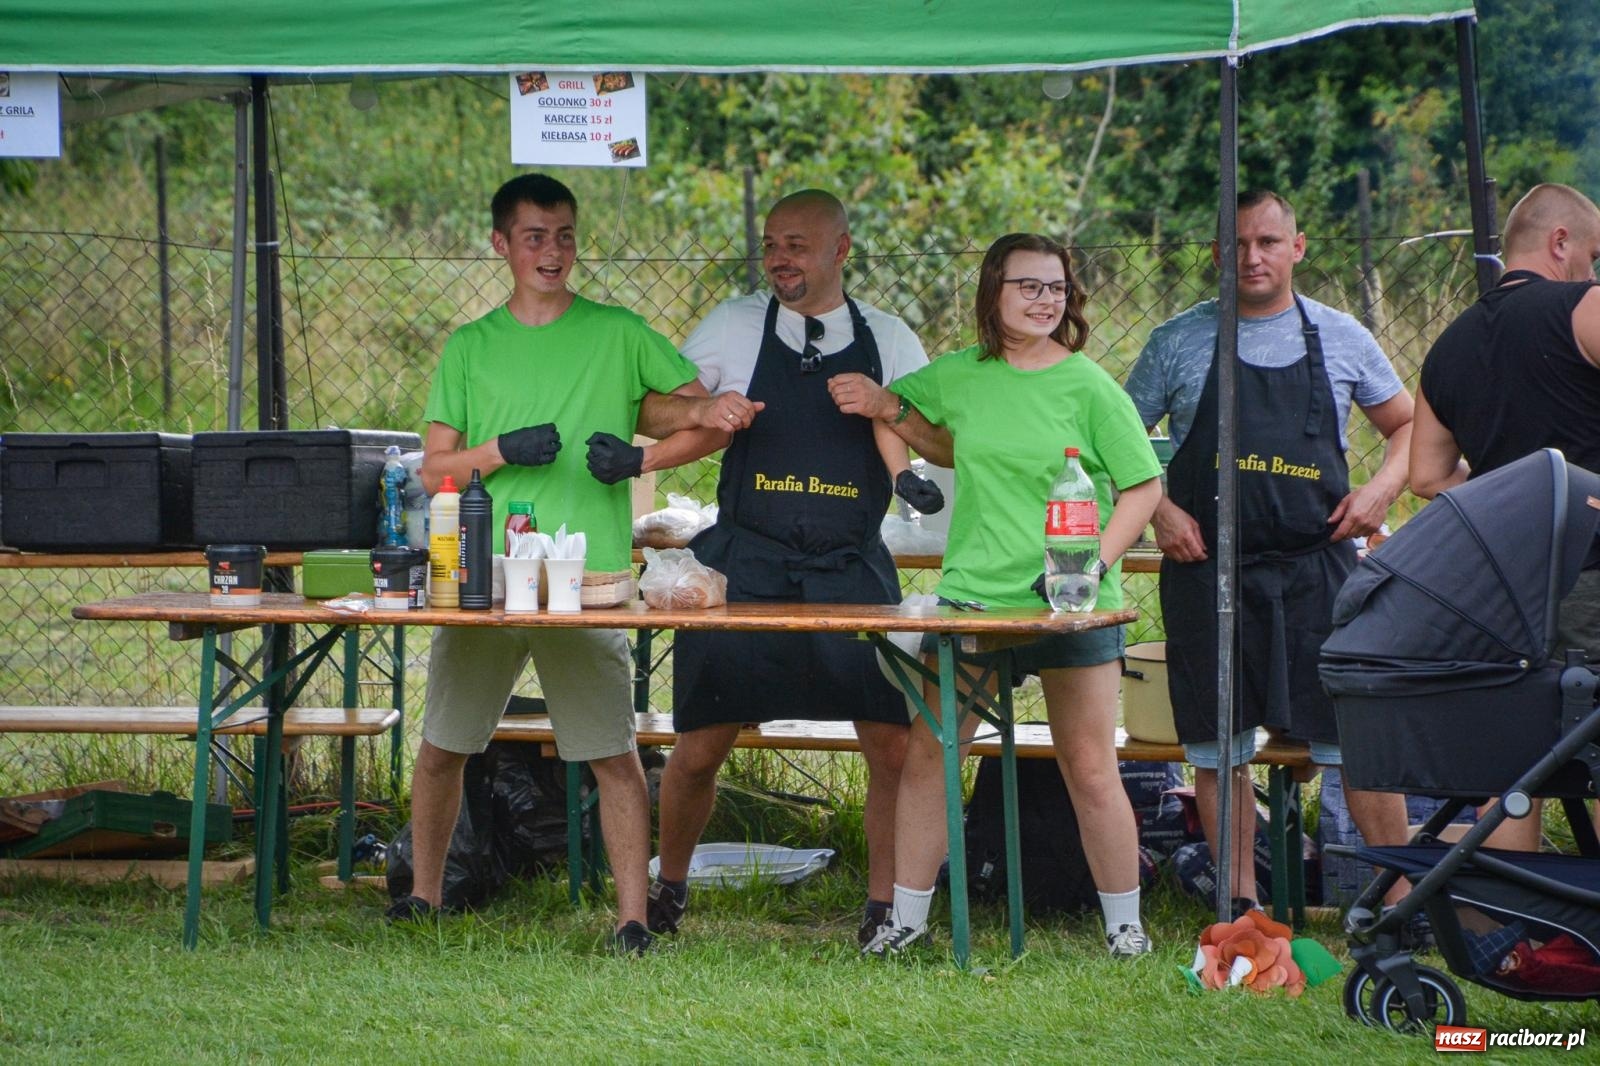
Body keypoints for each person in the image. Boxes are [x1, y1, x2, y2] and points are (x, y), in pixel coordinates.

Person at [586, 189, 934, 948]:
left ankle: (883, 911)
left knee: (892, 744)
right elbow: (652, 407)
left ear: (842, 250)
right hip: (745, 561)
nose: (779, 258)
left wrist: (887, 408)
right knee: (702, 743)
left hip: (849, 566)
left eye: (797, 245)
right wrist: (704, 415)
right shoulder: (735, 326)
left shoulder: (893, 339)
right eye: (772, 244)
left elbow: (935, 431)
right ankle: (667, 887)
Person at [390, 173, 724, 955]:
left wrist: (639, 454)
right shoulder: (471, 346)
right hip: (484, 576)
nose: (553, 251)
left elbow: (705, 414)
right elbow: (432, 472)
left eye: (566, 235)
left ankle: (633, 920)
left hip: (593, 580)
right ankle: (423, 899)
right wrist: (501, 453)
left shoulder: (617, 331)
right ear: (501, 244)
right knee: (443, 746)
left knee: (612, 753)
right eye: (536, 236)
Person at [830, 232, 1165, 957]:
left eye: (1056, 288)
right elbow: (901, 415)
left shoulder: (1088, 385)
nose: (1046, 301)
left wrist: (1091, 565)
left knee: (1089, 765)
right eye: (1029, 286)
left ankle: (1126, 927)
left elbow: (1144, 488)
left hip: (1072, 607)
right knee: (933, 751)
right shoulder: (959, 375)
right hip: (975, 600)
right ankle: (908, 923)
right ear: (993, 291)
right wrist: (896, 451)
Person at [1124, 189, 1415, 917]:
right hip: (1206, 575)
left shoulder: (1340, 335)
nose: (1251, 257)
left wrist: (1380, 490)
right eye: (1237, 244)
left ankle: (1403, 901)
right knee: (1220, 748)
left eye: (1268, 242)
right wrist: (1159, 510)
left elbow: (1411, 429)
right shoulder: (1177, 341)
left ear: (1298, 247)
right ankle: (1240, 906)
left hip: (1319, 576)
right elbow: (1115, 441)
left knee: (1354, 742)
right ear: (1219, 252)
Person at [1410, 181, 1600, 850]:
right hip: (1590, 579)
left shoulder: (1449, 346)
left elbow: (1426, 476)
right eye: (1593, 255)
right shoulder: (1585, 306)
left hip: (1502, 594)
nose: (1593, 270)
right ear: (1559, 243)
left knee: (1520, 772)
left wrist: (1514, 494)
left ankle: (1507, 933)